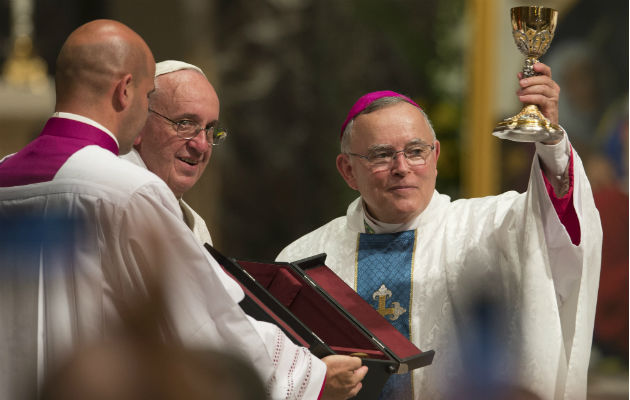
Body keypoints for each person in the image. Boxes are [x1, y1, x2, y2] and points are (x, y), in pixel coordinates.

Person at [0, 21, 366, 400]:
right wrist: (310, 377)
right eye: (146, 99)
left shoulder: (4, 175)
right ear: (125, 91)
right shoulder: (127, 190)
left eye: (211, 130)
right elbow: (205, 322)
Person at [277, 63, 602, 400]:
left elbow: (557, 223)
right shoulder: (304, 261)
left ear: (435, 157)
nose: (401, 168)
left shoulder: (488, 226)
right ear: (348, 170)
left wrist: (550, 141)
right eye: (381, 155)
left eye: (416, 151)